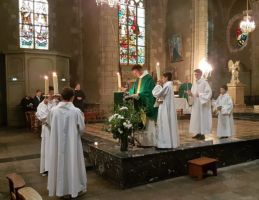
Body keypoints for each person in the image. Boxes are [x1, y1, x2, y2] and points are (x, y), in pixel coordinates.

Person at [47, 87, 87, 198]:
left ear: (61, 97)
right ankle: (74, 189)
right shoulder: (76, 111)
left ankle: (60, 189)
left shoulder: (53, 111)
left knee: (59, 163)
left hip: (58, 144)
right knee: (73, 164)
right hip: (72, 145)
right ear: (73, 97)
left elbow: (49, 124)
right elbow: (82, 129)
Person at [128, 64, 158, 146]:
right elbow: (133, 89)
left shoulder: (148, 79)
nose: (135, 75)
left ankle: (150, 142)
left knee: (148, 124)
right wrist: (129, 92)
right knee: (141, 123)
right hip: (140, 104)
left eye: (135, 73)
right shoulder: (138, 79)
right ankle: (142, 141)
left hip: (147, 104)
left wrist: (139, 95)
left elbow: (149, 93)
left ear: (139, 71)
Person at [152, 72, 179, 149]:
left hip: (165, 108)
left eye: (163, 77)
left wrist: (157, 85)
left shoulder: (167, 86)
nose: (162, 79)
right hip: (165, 106)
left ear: (166, 78)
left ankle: (165, 144)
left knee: (164, 124)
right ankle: (168, 143)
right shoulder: (168, 85)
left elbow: (156, 94)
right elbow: (163, 96)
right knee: (166, 124)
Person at [36, 86, 58, 176]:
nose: (51, 95)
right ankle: (47, 168)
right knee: (47, 148)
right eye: (50, 93)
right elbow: (42, 117)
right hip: (48, 130)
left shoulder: (57, 103)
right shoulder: (42, 104)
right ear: (46, 94)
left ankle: (55, 167)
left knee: (55, 148)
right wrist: (45, 105)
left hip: (56, 129)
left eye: (53, 93)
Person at [188, 69, 212, 140]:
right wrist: (190, 94)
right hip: (196, 104)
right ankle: (197, 133)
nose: (196, 76)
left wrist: (200, 95)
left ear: (201, 74)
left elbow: (209, 93)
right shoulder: (194, 83)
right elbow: (193, 93)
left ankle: (202, 134)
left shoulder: (204, 82)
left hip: (202, 104)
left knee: (201, 118)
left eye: (197, 74)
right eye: (195, 74)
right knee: (196, 118)